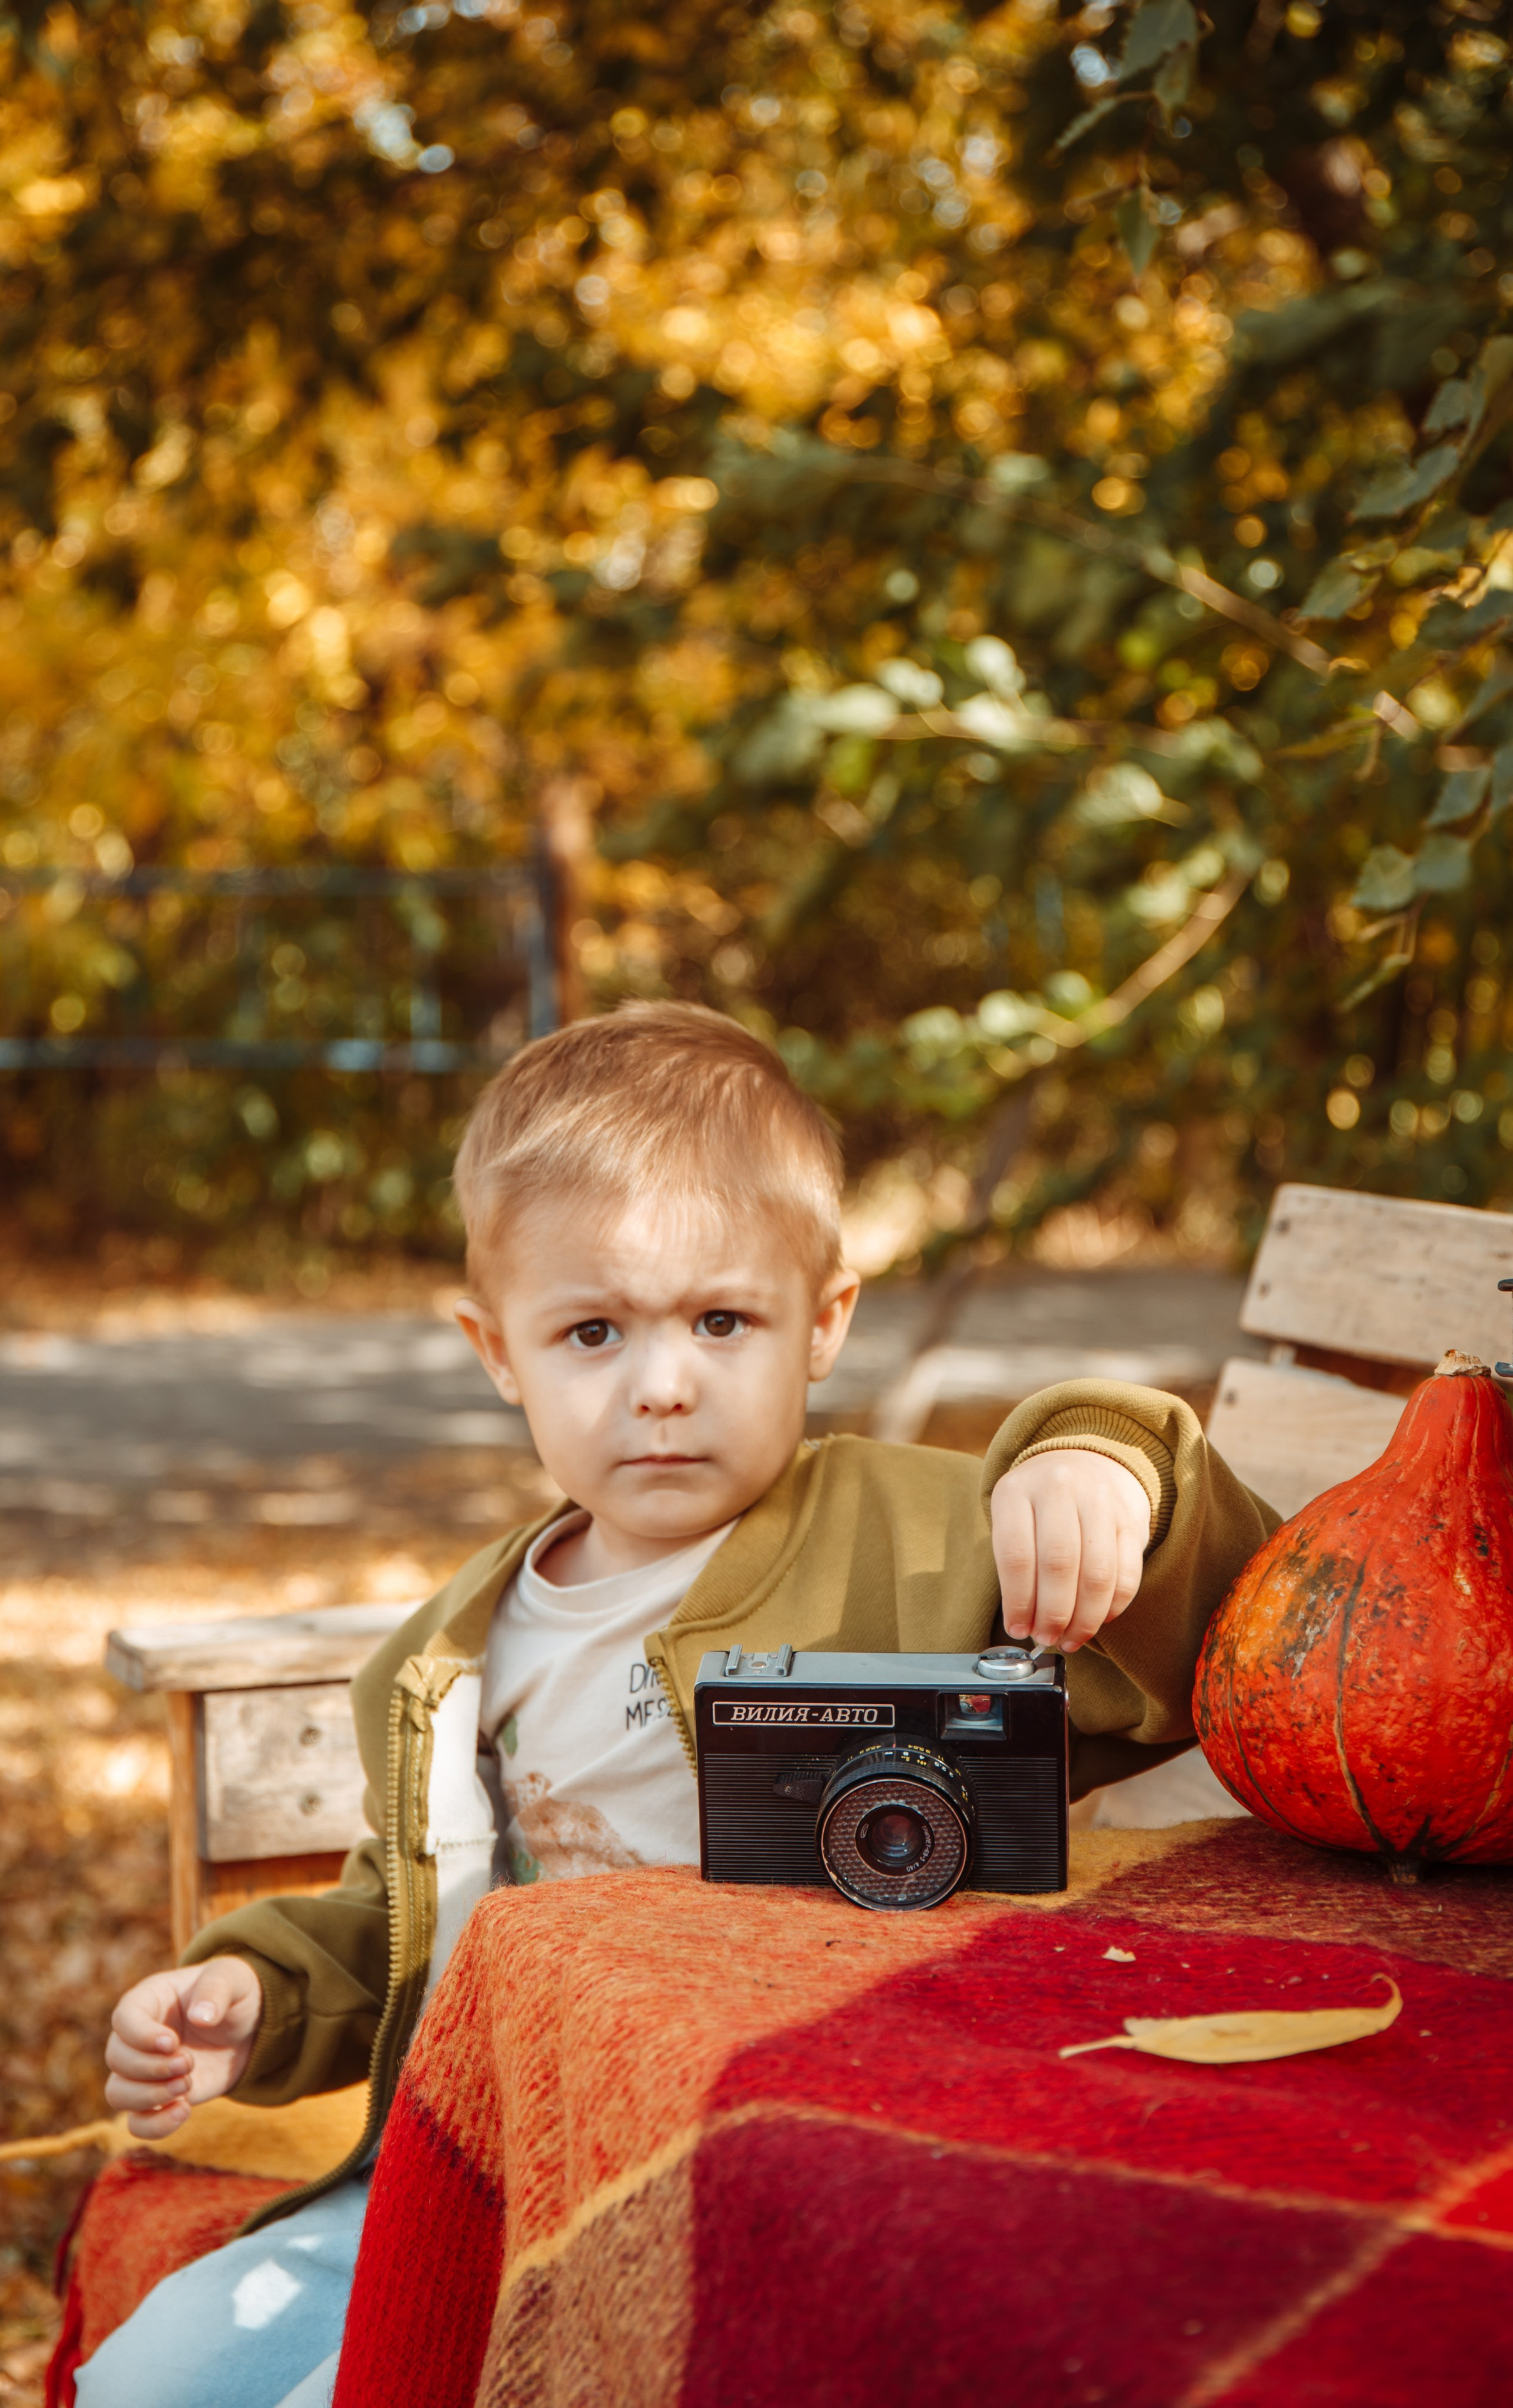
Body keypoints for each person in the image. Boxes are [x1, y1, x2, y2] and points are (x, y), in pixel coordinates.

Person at [83, 1003, 1276, 2408]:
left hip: (756, 2170)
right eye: (591, 1331)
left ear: (821, 1320)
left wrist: (1098, 1458)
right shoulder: (449, 1650)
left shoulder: (909, 1538)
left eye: (722, 1320)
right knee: (150, 2374)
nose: (660, 1385)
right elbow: (413, 1926)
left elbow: (1219, 1635)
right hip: (486, 2153)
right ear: (497, 1352)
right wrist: (260, 1995)